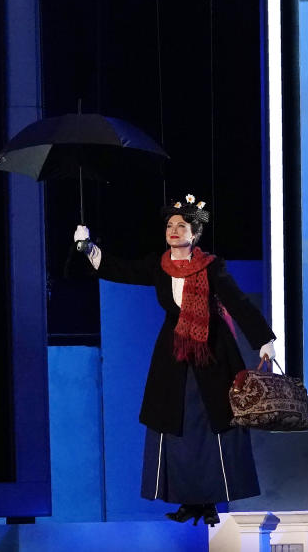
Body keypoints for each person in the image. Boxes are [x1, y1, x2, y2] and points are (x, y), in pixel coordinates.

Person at [70, 194, 276, 526]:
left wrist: (263, 340)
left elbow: (237, 302)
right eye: (170, 225)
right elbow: (120, 269)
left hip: (213, 355)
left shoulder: (211, 266)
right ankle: (186, 501)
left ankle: (208, 501)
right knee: (175, 424)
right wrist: (88, 247)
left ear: (195, 234)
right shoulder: (159, 265)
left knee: (211, 425)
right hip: (173, 357)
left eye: (182, 226)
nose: (174, 230)